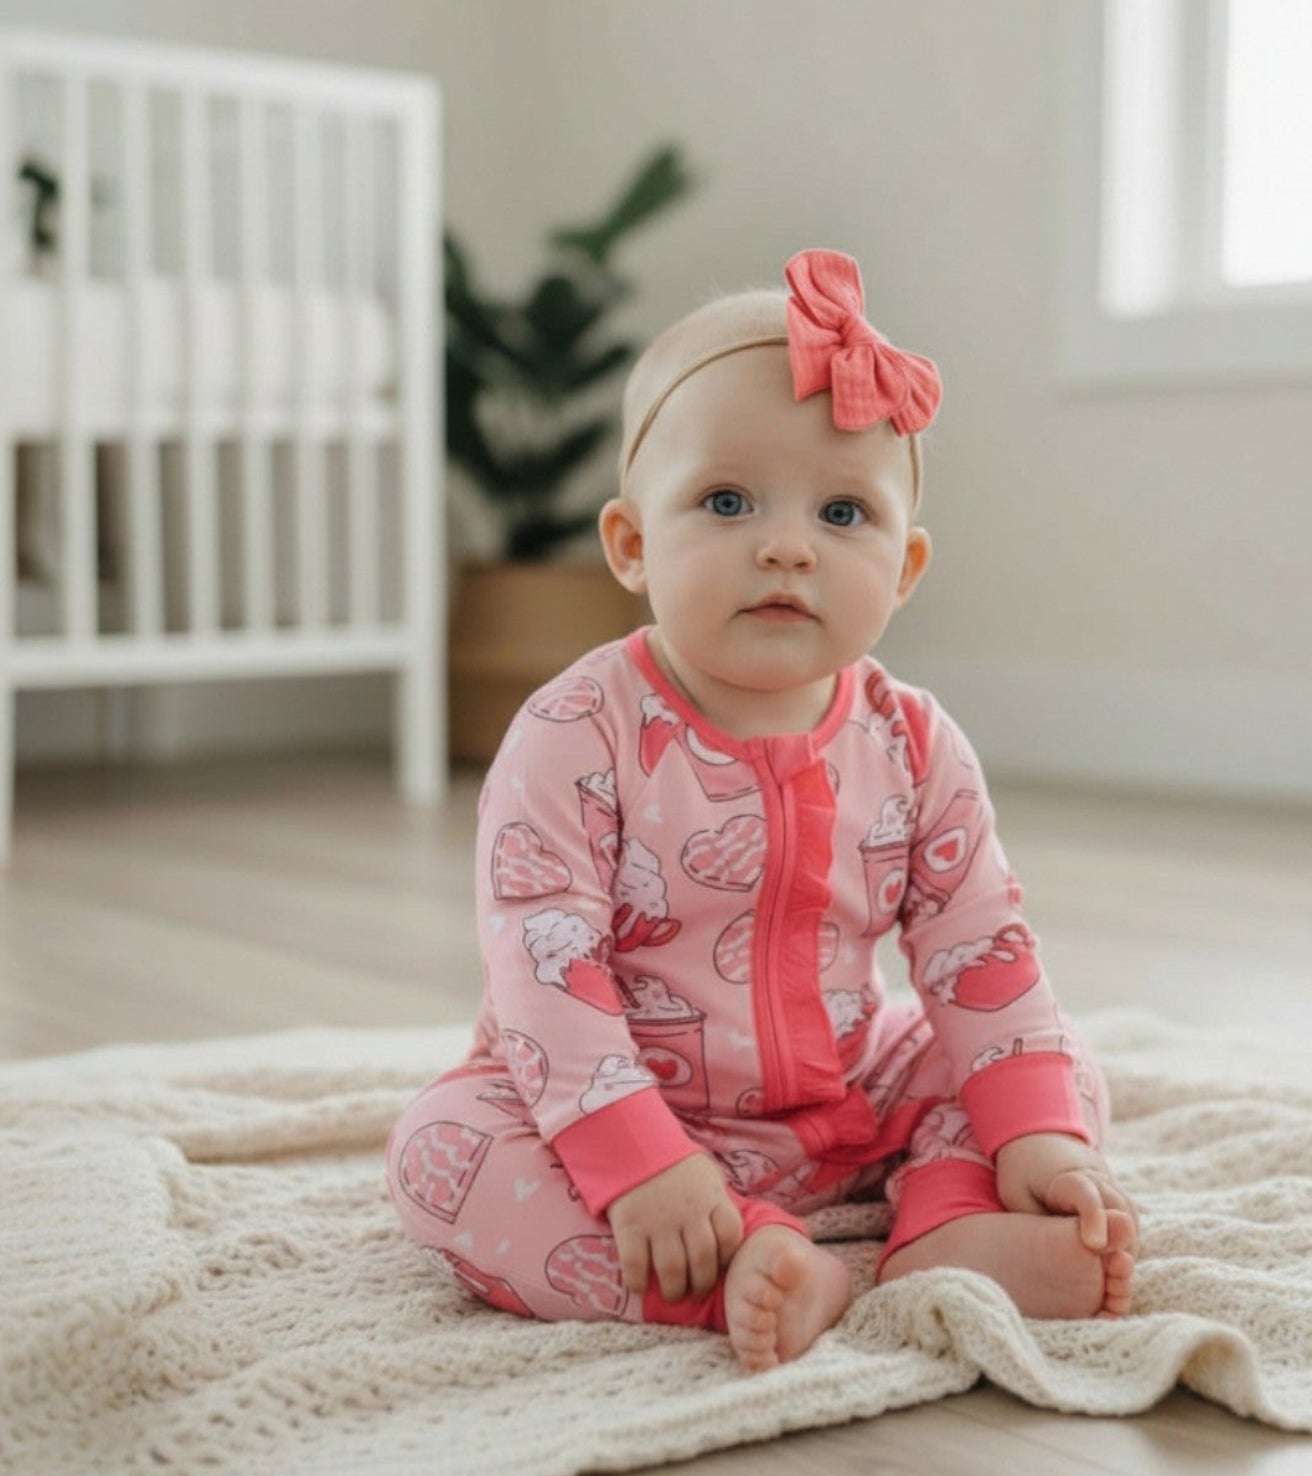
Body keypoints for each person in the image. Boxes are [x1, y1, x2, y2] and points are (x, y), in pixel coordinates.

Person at [387, 249, 1138, 1371]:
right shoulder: (575, 732)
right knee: (440, 1153)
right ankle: (746, 1267)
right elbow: (544, 971)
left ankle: (948, 1225)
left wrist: (1034, 1131)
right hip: (626, 1097)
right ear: (632, 545)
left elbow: (978, 943)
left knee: (1048, 1057)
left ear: (905, 567)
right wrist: (637, 1160)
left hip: (847, 1095)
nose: (787, 545)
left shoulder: (915, 742)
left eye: (843, 512)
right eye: (727, 501)